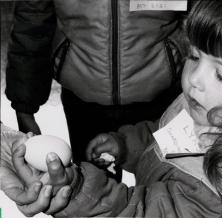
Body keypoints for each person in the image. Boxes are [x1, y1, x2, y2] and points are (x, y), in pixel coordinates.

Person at [1, 0, 222, 217]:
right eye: (195, 56)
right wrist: (129, 144)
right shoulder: (215, 104)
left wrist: (77, 192)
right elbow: (172, 131)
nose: (194, 79)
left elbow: (140, 212)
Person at [5, 0, 187, 172]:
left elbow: (202, 14)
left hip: (162, 95)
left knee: (162, 180)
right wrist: (24, 106)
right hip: (84, 99)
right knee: (94, 186)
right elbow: (31, 23)